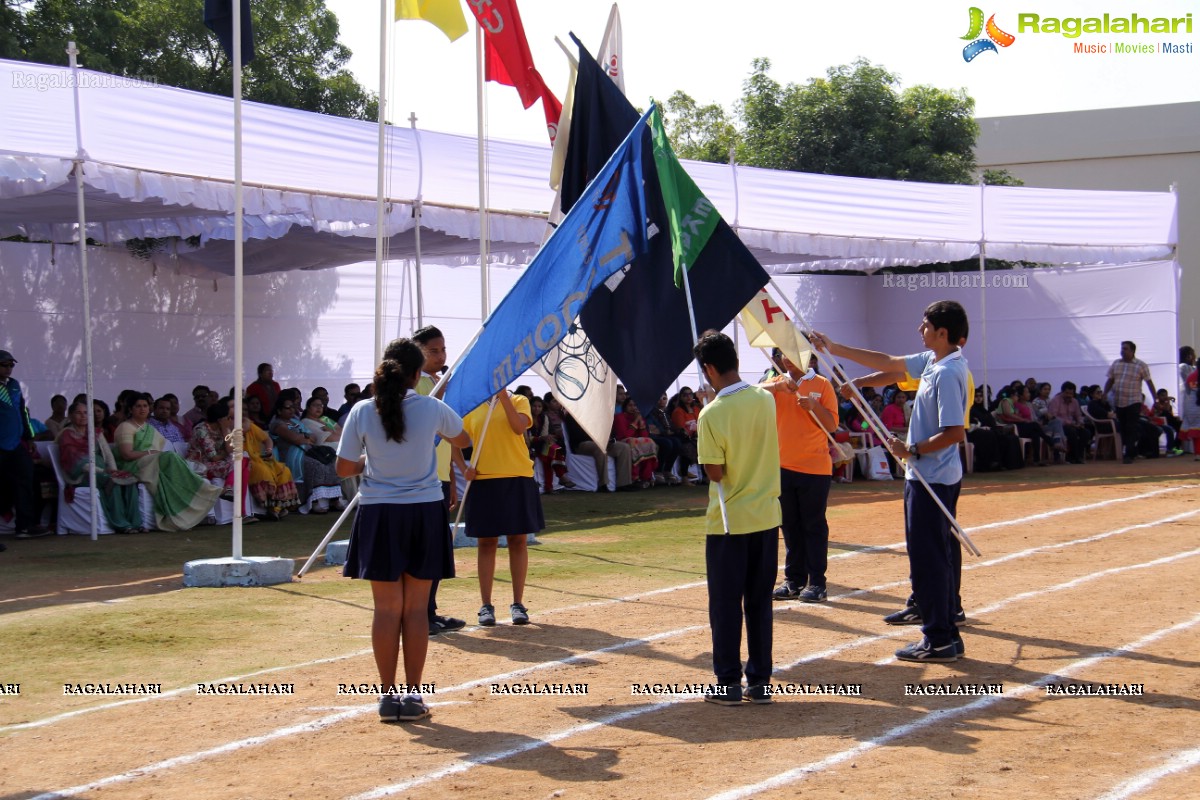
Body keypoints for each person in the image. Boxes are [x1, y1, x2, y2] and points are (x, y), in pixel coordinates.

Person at [811, 300, 969, 663]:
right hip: (927, 474)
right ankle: (945, 631)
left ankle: (939, 637)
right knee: (932, 556)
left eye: (925, 325)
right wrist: (846, 364)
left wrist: (910, 448)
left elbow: (954, 431)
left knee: (929, 558)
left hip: (932, 477)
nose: (920, 329)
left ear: (942, 333)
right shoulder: (935, 361)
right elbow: (891, 365)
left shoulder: (947, 372)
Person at [336, 339, 471, 722]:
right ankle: (413, 697)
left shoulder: (362, 410)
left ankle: (386, 697)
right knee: (415, 610)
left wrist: (373, 458)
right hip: (424, 512)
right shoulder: (432, 407)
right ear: (417, 374)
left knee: (386, 610)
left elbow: (344, 469)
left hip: (379, 513)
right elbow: (463, 438)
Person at [693, 330, 781, 705]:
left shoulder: (711, 414)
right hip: (766, 515)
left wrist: (709, 409)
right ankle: (759, 680)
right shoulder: (765, 398)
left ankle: (727, 681)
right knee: (760, 602)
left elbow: (715, 471)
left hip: (730, 522)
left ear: (709, 369)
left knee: (726, 605)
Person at [462, 388, 545, 627]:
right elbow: (455, 438)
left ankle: (518, 603)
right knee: (486, 543)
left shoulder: (520, 400)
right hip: (484, 480)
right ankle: (485, 605)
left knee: (517, 540)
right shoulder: (473, 403)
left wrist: (504, 397)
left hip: (517, 476)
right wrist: (462, 467)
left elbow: (519, 427)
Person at [762, 353, 838, 604]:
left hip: (814, 467)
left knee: (813, 525)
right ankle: (794, 580)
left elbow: (832, 426)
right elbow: (751, 394)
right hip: (781, 466)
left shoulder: (822, 385)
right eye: (782, 354)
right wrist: (776, 386)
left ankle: (817, 583)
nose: (786, 359)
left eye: (791, 352)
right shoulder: (776, 381)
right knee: (790, 526)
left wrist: (815, 406)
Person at [410, 325, 467, 637]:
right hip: (422, 479)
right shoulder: (418, 385)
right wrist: (440, 393)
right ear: (417, 352)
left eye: (443, 350)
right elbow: (427, 425)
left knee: (436, 549)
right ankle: (421, 613)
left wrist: (454, 481)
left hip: (440, 477)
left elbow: (451, 437)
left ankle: (429, 610)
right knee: (426, 549)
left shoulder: (434, 384)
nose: (441, 356)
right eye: (434, 350)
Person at [114, 394, 221, 531]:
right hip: (133, 465)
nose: (142, 409)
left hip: (152, 463)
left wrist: (153, 454)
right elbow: (127, 455)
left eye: (145, 406)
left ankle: (197, 501)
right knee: (170, 457)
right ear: (130, 409)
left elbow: (157, 450)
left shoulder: (150, 429)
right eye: (138, 406)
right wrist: (150, 453)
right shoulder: (126, 427)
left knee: (171, 461)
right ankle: (204, 491)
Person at [56, 400, 143, 534]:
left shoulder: (95, 432)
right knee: (112, 481)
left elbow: (107, 454)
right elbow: (77, 463)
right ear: (70, 415)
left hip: (102, 471)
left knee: (129, 479)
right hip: (81, 475)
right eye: (78, 413)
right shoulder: (66, 435)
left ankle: (136, 523)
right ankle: (121, 524)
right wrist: (104, 471)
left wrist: (113, 470)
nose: (83, 416)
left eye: (86, 413)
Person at [0, 349, 48, 538]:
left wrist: (29, 437)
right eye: (4, 365)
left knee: (26, 481)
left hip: (16, 443)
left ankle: (25, 526)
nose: (9, 369)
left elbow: (23, 412)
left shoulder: (14, 385)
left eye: (11, 365)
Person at [270, 395, 342, 514]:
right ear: (279, 410)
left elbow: (312, 437)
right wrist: (304, 437)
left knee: (330, 462)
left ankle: (334, 499)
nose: (291, 410)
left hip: (307, 451)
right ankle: (312, 502)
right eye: (288, 408)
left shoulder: (295, 421)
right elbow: (295, 439)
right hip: (290, 455)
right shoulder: (277, 424)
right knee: (315, 465)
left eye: (293, 407)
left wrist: (304, 437)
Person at [1104, 340, 1156, 464]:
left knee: (1131, 426)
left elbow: (1149, 382)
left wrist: (1155, 398)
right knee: (1122, 427)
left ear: (1132, 351)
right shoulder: (1116, 363)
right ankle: (1129, 450)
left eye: (1125, 349)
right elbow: (1110, 380)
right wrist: (1105, 393)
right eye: (1122, 348)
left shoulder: (1140, 365)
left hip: (1134, 400)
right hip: (1119, 400)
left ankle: (1129, 454)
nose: (1123, 351)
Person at [243, 409, 298, 520]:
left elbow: (267, 439)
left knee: (283, 470)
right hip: (244, 461)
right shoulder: (229, 428)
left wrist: (268, 450)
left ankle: (277, 508)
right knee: (264, 472)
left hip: (258, 459)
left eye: (244, 409)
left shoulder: (249, 425)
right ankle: (271, 508)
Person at [562, 408, 634, 492]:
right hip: (582, 444)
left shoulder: (597, 415)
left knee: (624, 447)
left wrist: (609, 439)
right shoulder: (573, 415)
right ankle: (603, 484)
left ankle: (623, 484)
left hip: (601, 442)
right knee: (600, 448)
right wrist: (599, 440)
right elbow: (577, 435)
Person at [528, 396, 575, 492]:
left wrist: (548, 438)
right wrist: (542, 438)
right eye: (534, 406)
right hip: (529, 444)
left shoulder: (544, 417)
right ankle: (560, 477)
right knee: (550, 453)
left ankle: (549, 486)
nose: (537, 409)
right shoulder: (526, 417)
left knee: (552, 453)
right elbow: (527, 437)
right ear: (530, 406)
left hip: (540, 444)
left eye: (539, 406)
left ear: (542, 408)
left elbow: (545, 434)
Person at [613, 397, 659, 489]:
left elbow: (645, 436)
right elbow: (625, 435)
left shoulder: (639, 417)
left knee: (650, 443)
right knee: (632, 442)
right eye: (630, 405)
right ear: (625, 406)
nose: (633, 408)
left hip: (637, 443)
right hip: (622, 441)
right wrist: (635, 421)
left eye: (635, 405)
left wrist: (640, 422)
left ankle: (646, 478)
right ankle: (635, 478)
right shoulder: (619, 417)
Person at [1047, 382, 1093, 464]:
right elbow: (1054, 417)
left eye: (1071, 393)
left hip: (1073, 425)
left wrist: (1080, 423)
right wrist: (1070, 423)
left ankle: (1078, 456)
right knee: (1072, 432)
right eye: (1067, 393)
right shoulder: (1055, 401)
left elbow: (1078, 415)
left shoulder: (1074, 401)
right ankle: (1072, 456)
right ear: (1062, 392)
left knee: (1086, 433)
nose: (1069, 395)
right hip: (1060, 426)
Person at [645, 393, 682, 485]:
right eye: (659, 398)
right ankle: (658, 470)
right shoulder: (652, 412)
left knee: (677, 442)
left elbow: (671, 426)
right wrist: (665, 432)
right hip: (655, 436)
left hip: (664, 435)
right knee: (667, 443)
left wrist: (678, 431)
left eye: (664, 398)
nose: (661, 400)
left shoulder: (666, 412)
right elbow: (653, 429)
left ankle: (667, 470)